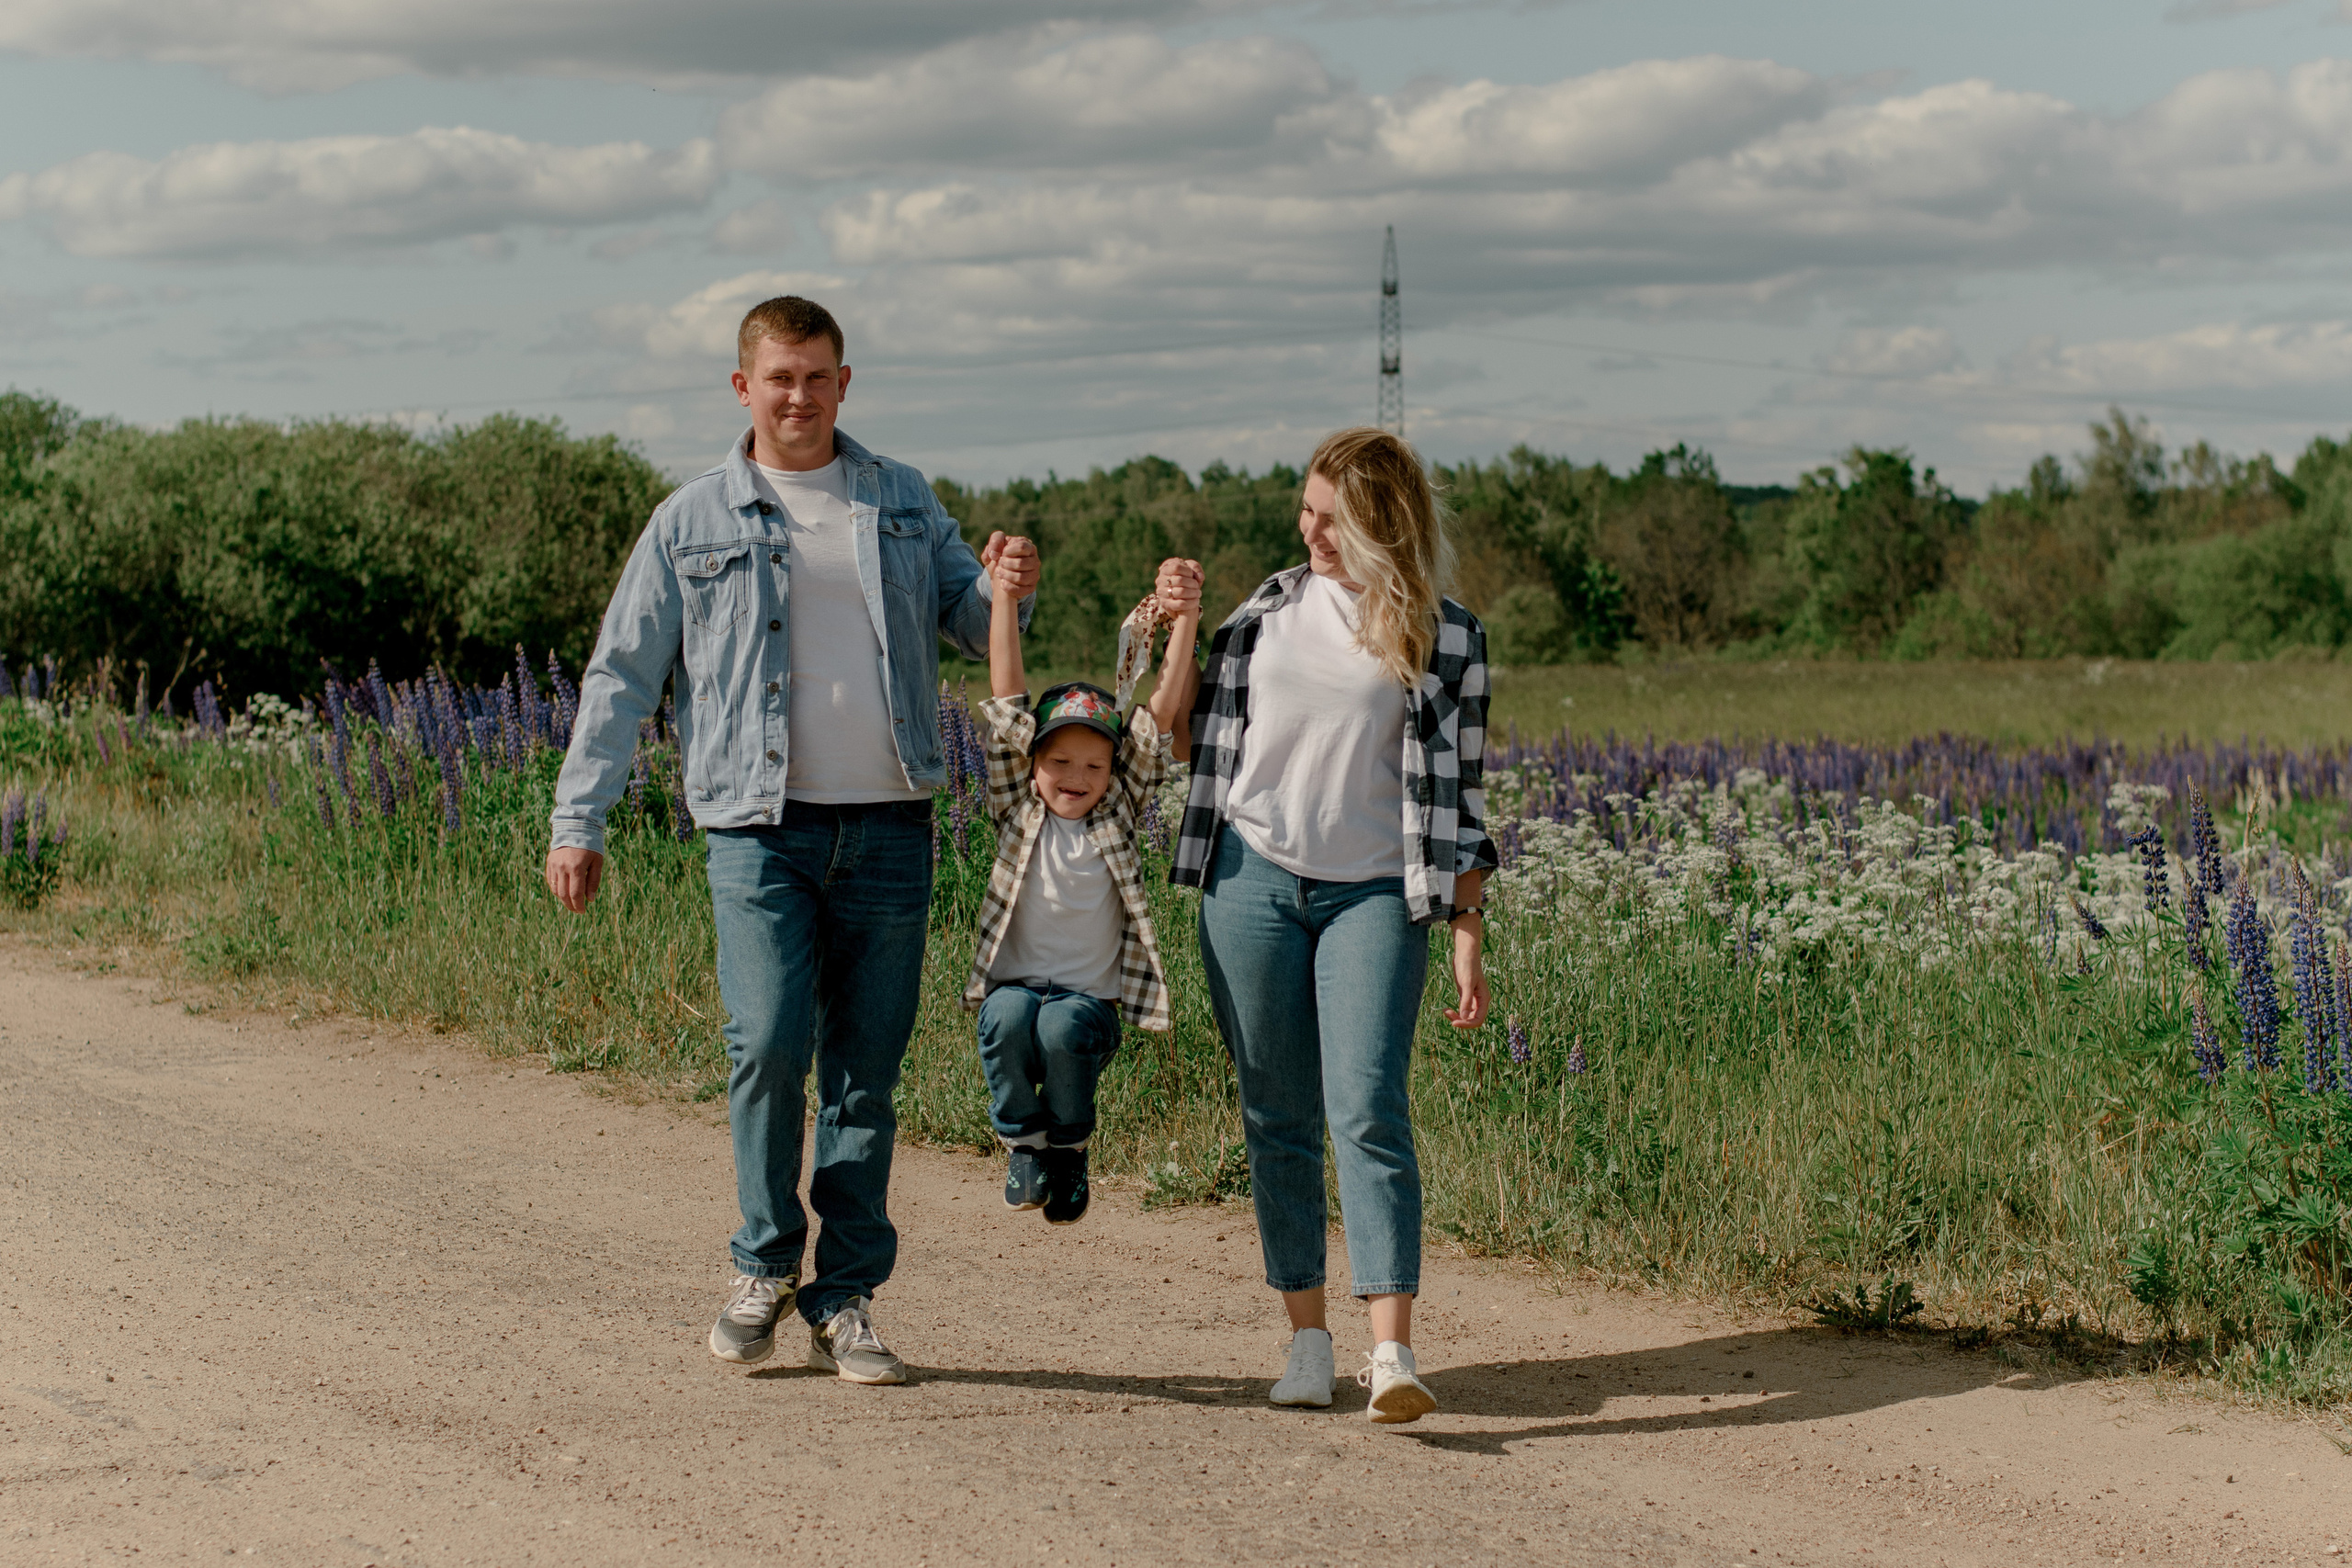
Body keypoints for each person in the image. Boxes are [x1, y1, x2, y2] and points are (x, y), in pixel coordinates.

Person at [543, 295, 1038, 1385]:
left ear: (843, 384)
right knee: (766, 1046)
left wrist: (1005, 588)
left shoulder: (901, 499)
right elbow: (621, 676)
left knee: (865, 1074)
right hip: (756, 829)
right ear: (743, 388)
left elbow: (969, 618)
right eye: (779, 378)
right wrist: (580, 818)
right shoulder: (690, 520)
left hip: (892, 822)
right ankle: (763, 1263)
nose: (799, 397)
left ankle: (846, 1295)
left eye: (817, 377)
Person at [1169, 426, 1494, 1425]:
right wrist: (1173, 626)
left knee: (1368, 1110)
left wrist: (1468, 935)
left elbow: (1460, 798)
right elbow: (1183, 734)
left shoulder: (1446, 637)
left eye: (1332, 519)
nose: (1309, 533)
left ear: (1383, 525)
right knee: (1277, 1116)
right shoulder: (1262, 612)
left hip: (1371, 894)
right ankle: (1307, 1343)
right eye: (1306, 512)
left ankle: (1389, 1353)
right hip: (1250, 875)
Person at [960, 551, 1204, 1224]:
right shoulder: (1019, 804)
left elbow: (1158, 713)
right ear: (1031, 763)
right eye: (1060, 760)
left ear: (1112, 768)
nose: (1076, 774)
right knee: (1006, 1017)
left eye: (1094, 762)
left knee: (1064, 1026)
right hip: (1014, 986)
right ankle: (1023, 1143)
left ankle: (1068, 1145)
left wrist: (1184, 622)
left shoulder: (1118, 810)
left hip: (1085, 1002)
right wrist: (1004, 599)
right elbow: (1008, 695)